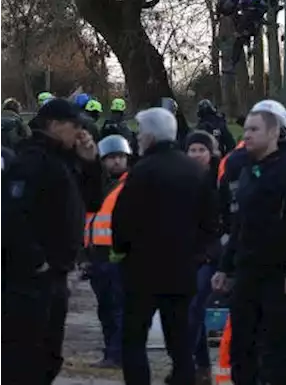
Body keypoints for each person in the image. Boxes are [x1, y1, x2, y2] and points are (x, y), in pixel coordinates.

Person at [0, 97, 104, 385]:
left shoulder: (64, 162)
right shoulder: (32, 160)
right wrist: (36, 260)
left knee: (48, 356)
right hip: (29, 280)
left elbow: (92, 200)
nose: (80, 133)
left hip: (56, 274)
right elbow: (11, 216)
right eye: (75, 126)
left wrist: (90, 162)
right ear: (55, 125)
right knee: (23, 357)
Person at [112, 108, 219, 385]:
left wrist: (121, 251)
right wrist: (199, 255)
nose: (137, 137)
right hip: (183, 270)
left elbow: (122, 220)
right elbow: (210, 221)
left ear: (148, 136)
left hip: (142, 271)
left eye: (140, 132)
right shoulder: (195, 170)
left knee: (134, 339)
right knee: (180, 341)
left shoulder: (141, 171)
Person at [212, 108, 286, 385]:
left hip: (278, 276)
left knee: (279, 350)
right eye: (245, 129)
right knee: (243, 348)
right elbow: (239, 224)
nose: (247, 135)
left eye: (254, 129)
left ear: (273, 133)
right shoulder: (247, 170)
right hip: (247, 274)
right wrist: (225, 266)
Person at [86, 134, 133, 370]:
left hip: (118, 255)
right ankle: (111, 351)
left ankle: (117, 354)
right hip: (97, 255)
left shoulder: (131, 185)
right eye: (111, 158)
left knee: (117, 308)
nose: (116, 162)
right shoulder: (98, 186)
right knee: (105, 307)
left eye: (120, 157)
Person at [184, 131, 223, 383]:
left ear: (211, 153)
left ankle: (188, 363)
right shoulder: (182, 178)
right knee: (191, 309)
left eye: (202, 150)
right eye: (193, 150)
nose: (197, 155)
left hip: (212, 254)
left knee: (195, 308)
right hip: (188, 254)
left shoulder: (220, 179)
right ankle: (201, 365)